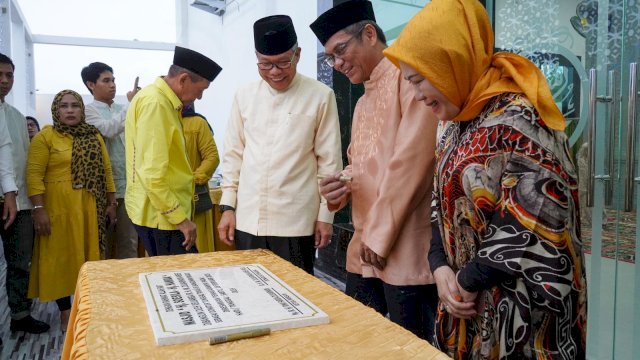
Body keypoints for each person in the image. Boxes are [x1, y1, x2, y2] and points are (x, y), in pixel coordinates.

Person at [383, 0, 587, 358]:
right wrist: (440, 266)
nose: (417, 95)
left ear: (450, 62)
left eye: (418, 80)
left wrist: (466, 279)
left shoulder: (522, 119)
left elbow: (532, 217)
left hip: (523, 321)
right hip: (466, 307)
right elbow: (439, 201)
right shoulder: (458, 123)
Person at [310, 0, 439, 341]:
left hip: (405, 250)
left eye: (341, 51)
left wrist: (379, 237)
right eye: (330, 58)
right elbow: (366, 163)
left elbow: (414, 161)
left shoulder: (408, 79)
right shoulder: (364, 98)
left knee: (409, 346)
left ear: (369, 34)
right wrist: (339, 188)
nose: (337, 64)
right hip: (364, 245)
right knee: (359, 341)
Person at [218, 15, 342, 275]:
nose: (275, 72)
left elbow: (329, 163)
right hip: (248, 221)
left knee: (297, 298)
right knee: (249, 294)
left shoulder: (320, 96)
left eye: (283, 62)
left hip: (296, 224)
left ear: (298, 54)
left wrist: (325, 216)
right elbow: (233, 155)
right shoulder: (244, 97)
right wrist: (228, 207)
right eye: (265, 64)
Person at [27, 89, 116, 331]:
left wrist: (111, 202)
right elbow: (33, 176)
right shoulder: (45, 137)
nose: (69, 110)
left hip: (90, 208)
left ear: (82, 109)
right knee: (60, 259)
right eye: (64, 106)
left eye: (75, 105)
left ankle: (87, 306)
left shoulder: (94, 135)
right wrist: (38, 209)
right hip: (58, 209)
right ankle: (65, 312)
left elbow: (107, 171)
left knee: (89, 257)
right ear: (56, 110)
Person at [125, 46, 222, 256]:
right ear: (183, 79)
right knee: (183, 281)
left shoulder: (161, 100)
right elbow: (152, 174)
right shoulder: (156, 104)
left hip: (161, 214)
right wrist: (180, 219)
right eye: (201, 90)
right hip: (163, 218)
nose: (200, 98)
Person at [0, 53, 50, 334]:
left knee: (20, 262)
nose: (5, 81)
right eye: (0, 75)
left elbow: (25, 162)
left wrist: (32, 202)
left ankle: (20, 315)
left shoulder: (17, 117)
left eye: (9, 75)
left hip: (18, 203)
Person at [81, 62, 140, 259]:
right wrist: (132, 104)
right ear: (91, 84)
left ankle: (129, 288)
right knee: (102, 245)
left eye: (113, 80)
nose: (113, 85)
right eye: (106, 81)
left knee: (129, 243)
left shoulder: (122, 108)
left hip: (129, 186)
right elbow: (108, 129)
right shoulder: (87, 111)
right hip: (104, 189)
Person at [182, 103, 219, 253]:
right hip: (163, 199)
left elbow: (212, 157)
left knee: (198, 247)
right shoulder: (158, 123)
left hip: (194, 198)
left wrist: (193, 181)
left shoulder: (198, 123)